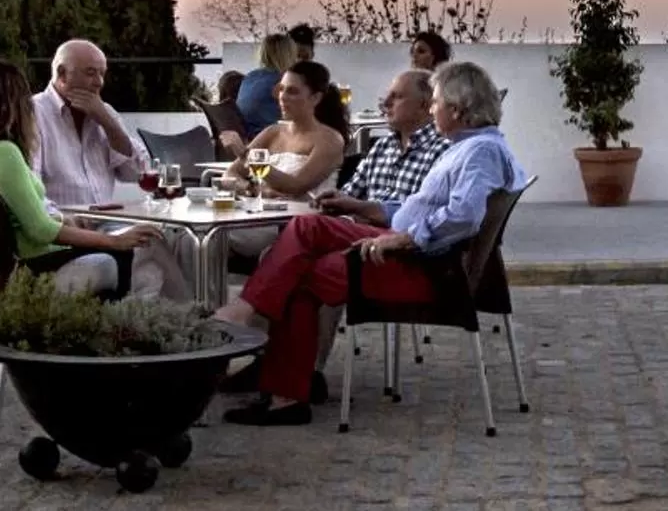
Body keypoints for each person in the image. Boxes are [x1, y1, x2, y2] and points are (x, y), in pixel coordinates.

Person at [212, 61, 527, 426]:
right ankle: (275, 373)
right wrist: (366, 212)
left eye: (437, 102)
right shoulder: (469, 146)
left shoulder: (480, 152)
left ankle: (273, 373)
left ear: (456, 110)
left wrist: (405, 238)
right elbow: (431, 211)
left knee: (300, 265)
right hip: (403, 246)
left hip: (421, 263)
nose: (433, 110)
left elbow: (464, 216)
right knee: (307, 228)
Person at [0, 59, 166, 294]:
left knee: (130, 248)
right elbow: (41, 230)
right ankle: (147, 315)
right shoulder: (3, 153)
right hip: (35, 266)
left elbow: (19, 216)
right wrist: (114, 241)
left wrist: (63, 219)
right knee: (140, 251)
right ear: (11, 104)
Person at [221, 60, 350, 266]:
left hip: (291, 226)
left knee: (207, 238)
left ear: (315, 98)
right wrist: (254, 189)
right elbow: (229, 175)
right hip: (255, 216)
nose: (282, 97)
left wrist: (247, 156)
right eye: (281, 89)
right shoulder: (273, 132)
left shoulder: (329, 140)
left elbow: (295, 185)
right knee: (186, 236)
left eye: (292, 91)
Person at [31, 39, 155, 210]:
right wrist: (61, 220)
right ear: (62, 74)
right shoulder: (33, 113)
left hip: (107, 219)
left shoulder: (105, 112)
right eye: (90, 73)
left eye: (102, 74)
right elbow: (31, 190)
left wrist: (109, 124)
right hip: (62, 222)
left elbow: (137, 173)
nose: (99, 82)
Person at [320, 69, 447, 228]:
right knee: (307, 224)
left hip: (400, 237)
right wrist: (333, 201)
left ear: (424, 106)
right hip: (361, 230)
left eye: (397, 97)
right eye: (387, 96)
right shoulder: (382, 146)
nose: (385, 103)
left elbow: (423, 214)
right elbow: (349, 194)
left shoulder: (443, 150)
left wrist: (358, 209)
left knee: (307, 226)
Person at [235, 33, 297, 139]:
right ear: (289, 54)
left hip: (245, 135)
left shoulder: (251, 76)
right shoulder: (281, 81)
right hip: (264, 138)